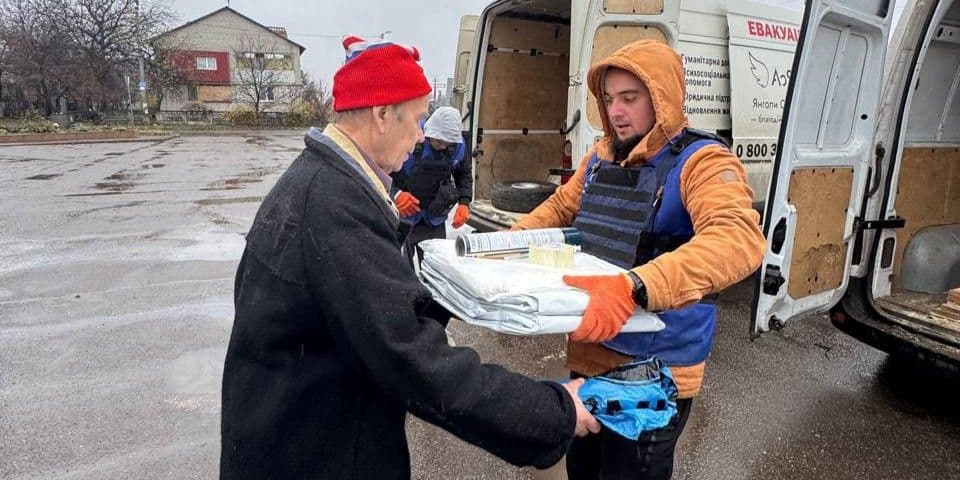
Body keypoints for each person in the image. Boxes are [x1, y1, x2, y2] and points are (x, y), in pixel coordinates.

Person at [219, 35, 600, 479]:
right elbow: (414, 360)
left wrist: (450, 285)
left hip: (296, 439)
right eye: (418, 119)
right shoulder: (334, 206)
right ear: (383, 114)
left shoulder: (321, 180)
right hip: (314, 455)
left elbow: (367, 312)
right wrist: (556, 411)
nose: (420, 135)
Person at [511, 39, 766, 479]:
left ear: (662, 97)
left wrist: (636, 286)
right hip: (591, 353)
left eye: (630, 98)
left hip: (655, 371)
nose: (616, 112)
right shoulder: (599, 157)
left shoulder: (701, 161)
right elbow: (558, 208)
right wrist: (507, 243)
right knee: (585, 471)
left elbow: (738, 237)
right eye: (609, 100)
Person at [391, 106, 472, 266]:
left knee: (437, 268)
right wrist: (395, 194)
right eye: (438, 141)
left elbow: (464, 174)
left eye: (446, 143)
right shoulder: (408, 137)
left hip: (433, 219)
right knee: (399, 269)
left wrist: (464, 202)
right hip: (404, 218)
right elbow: (379, 172)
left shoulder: (457, 148)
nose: (442, 146)